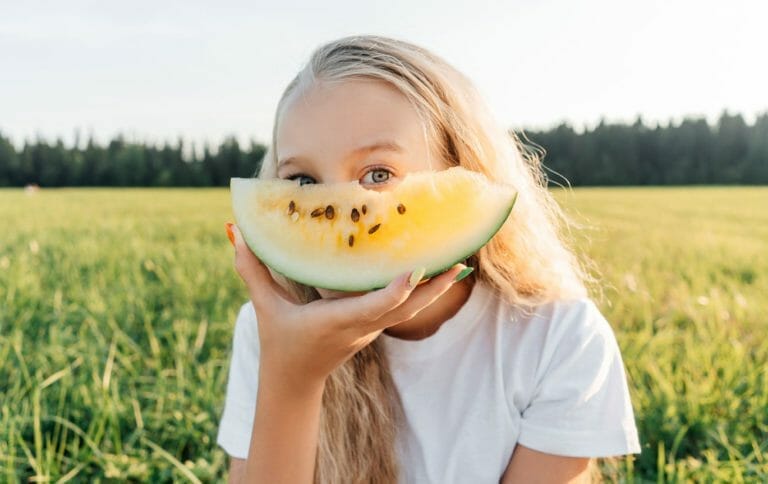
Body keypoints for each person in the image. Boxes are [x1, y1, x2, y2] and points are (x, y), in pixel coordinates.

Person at [217, 34, 641, 483]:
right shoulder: (270, 329)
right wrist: (292, 378)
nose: (339, 211)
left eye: (377, 174)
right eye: (303, 183)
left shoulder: (558, 338)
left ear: (463, 172)